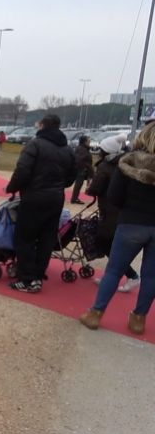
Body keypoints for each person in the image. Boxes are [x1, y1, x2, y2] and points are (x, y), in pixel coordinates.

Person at [79, 124, 155, 334]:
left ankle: (96, 314)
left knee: (114, 271)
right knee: (151, 276)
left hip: (131, 221)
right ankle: (139, 318)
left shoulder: (128, 161)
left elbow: (114, 197)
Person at [6, 115, 77, 293]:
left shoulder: (36, 144)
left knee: (25, 238)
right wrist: (59, 185)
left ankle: (26, 278)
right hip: (56, 198)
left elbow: (22, 170)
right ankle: (38, 275)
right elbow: (72, 174)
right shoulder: (67, 149)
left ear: (43, 125)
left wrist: (13, 187)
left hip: (34, 196)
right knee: (47, 238)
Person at [86, 134, 140, 292]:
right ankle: (113, 275)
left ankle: (131, 275)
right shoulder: (127, 164)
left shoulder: (105, 166)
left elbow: (96, 187)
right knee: (113, 243)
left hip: (110, 210)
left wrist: (90, 189)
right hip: (123, 210)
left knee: (107, 243)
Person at [71, 135, 94, 205]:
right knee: (78, 184)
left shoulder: (83, 148)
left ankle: (75, 198)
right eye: (88, 141)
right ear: (84, 142)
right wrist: (84, 167)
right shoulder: (81, 149)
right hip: (82, 170)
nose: (89, 142)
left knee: (80, 184)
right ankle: (74, 199)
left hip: (84, 169)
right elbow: (79, 160)